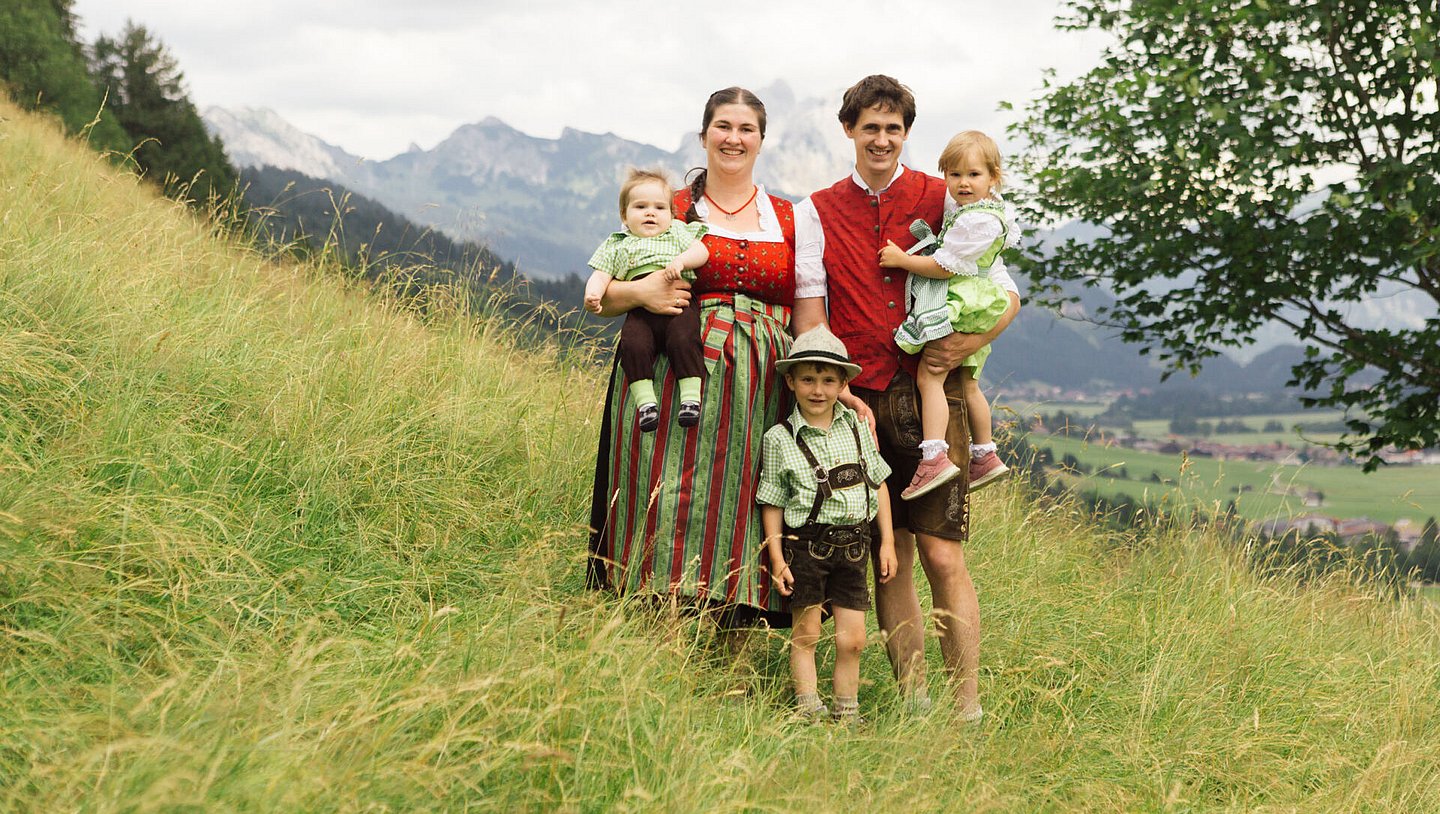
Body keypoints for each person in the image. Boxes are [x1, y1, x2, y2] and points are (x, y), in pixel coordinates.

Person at [791, 75, 1021, 721]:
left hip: (932, 393)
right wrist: (836, 392)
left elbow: (1001, 284)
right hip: (859, 400)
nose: (882, 139)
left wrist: (979, 336)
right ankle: (916, 706)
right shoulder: (815, 210)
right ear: (849, 131)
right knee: (887, 559)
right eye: (870, 127)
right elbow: (811, 312)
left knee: (943, 553)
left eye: (893, 128)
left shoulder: (944, 194)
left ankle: (967, 708)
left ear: (906, 133)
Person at [586, 87, 798, 635]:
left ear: (761, 140)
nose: (734, 139)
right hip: (669, 365)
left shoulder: (788, 217)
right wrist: (642, 293)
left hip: (760, 382)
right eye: (723, 126)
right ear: (703, 135)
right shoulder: (665, 205)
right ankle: (653, 634)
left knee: (746, 498)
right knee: (663, 491)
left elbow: (807, 306)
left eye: (746, 129)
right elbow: (607, 291)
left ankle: (734, 644)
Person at [757, 326, 898, 722]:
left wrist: (886, 542)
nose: (817, 390)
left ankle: (846, 711)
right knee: (807, 634)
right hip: (807, 546)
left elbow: (878, 483)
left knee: (853, 640)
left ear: (842, 384)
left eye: (828, 381)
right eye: (808, 380)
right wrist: (776, 557)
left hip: (855, 546)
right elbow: (772, 501)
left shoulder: (856, 425)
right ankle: (808, 707)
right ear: (791, 381)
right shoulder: (779, 438)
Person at [879, 130, 1017, 497]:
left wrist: (902, 260)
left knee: (930, 375)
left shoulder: (976, 221)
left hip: (964, 300)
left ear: (993, 177)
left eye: (973, 174)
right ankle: (985, 454)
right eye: (954, 175)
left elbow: (944, 267)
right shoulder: (985, 212)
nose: (963, 183)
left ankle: (934, 456)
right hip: (982, 303)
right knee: (969, 382)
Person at [583, 168, 710, 432]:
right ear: (624, 215)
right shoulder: (618, 243)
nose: (650, 213)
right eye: (641, 207)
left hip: (678, 303)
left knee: (685, 338)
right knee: (633, 344)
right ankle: (646, 404)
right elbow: (601, 274)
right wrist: (593, 293)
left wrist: (681, 261)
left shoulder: (676, 232)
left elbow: (701, 251)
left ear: (671, 214)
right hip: (640, 310)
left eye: (659, 208)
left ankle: (690, 398)